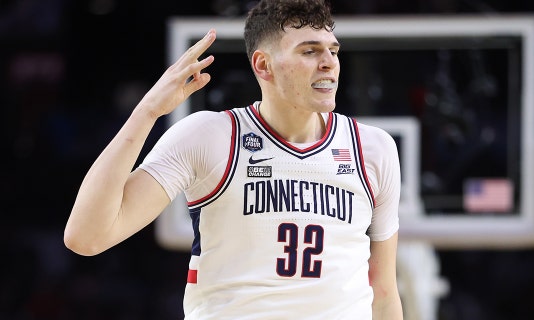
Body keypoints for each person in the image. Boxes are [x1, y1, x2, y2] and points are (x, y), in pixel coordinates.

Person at [64, 0, 404, 318]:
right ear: (263, 65)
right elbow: (87, 236)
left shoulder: (373, 149)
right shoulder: (209, 136)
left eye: (332, 50)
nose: (329, 62)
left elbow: (384, 290)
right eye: (310, 51)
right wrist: (147, 111)